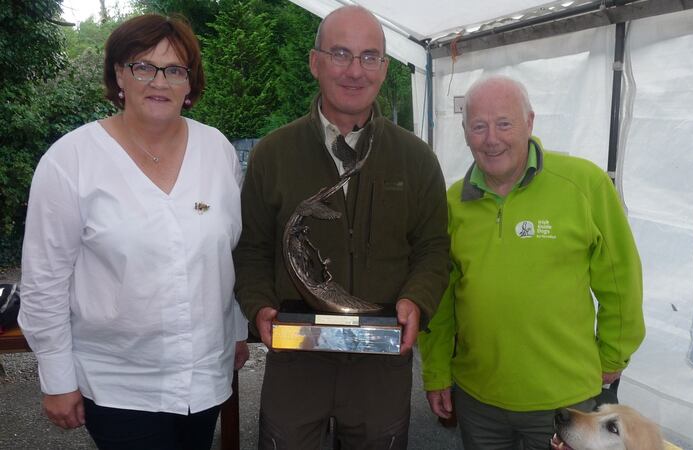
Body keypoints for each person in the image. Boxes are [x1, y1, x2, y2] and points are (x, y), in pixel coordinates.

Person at [19, 14, 249, 450]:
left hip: (203, 376)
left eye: (175, 69)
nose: (159, 81)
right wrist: (57, 377)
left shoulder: (217, 150)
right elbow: (44, 281)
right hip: (119, 384)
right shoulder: (71, 160)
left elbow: (227, 255)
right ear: (119, 74)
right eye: (143, 66)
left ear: (189, 84)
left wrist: (235, 332)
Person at [233, 5, 450, 449]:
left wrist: (417, 300)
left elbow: (433, 250)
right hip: (296, 356)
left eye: (370, 57)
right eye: (341, 54)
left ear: (385, 68)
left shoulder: (416, 159)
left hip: (381, 357)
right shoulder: (272, 155)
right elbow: (252, 249)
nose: (356, 70)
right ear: (315, 62)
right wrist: (259, 307)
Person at [418, 75, 645, 450]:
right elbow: (441, 300)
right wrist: (437, 371)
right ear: (465, 132)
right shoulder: (454, 201)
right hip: (479, 399)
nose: (492, 138)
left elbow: (620, 276)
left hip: (566, 400)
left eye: (504, 123)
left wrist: (614, 352)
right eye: (479, 126)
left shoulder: (583, 184)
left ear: (530, 122)